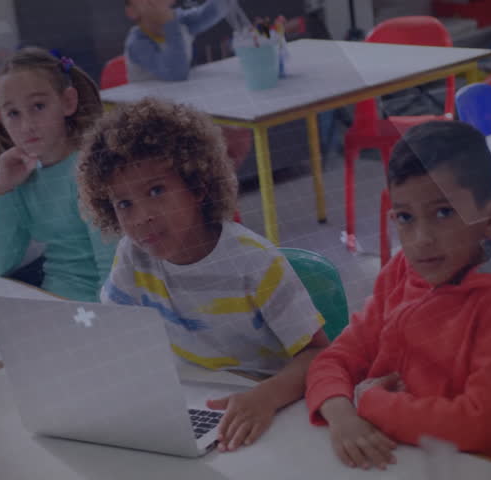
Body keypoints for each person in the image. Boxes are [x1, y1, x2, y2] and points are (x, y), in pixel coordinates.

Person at [305, 121, 491, 470]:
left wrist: (368, 401)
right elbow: (334, 359)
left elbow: (481, 428)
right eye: (405, 217)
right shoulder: (401, 272)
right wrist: (341, 413)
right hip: (388, 454)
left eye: (444, 212)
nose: (421, 239)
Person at [77, 97, 329, 452]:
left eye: (156, 191)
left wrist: (264, 398)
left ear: (198, 188)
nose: (142, 216)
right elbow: (113, 330)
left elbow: (319, 355)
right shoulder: (133, 257)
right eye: (124, 203)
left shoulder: (253, 263)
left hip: (263, 412)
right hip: (190, 401)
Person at [0, 47, 115, 301]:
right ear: (0, 118)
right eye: (13, 113)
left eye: (39, 106)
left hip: (97, 308)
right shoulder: (23, 174)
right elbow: (0, 263)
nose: (27, 125)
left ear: (67, 102)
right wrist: (3, 190)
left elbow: (113, 272)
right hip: (53, 300)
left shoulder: (91, 171)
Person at [123, 0, 252, 168]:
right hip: (155, 119)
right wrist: (169, 23)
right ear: (132, 12)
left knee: (235, 130)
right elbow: (176, 72)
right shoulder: (137, 42)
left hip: (185, 106)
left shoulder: (182, 20)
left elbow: (211, 12)